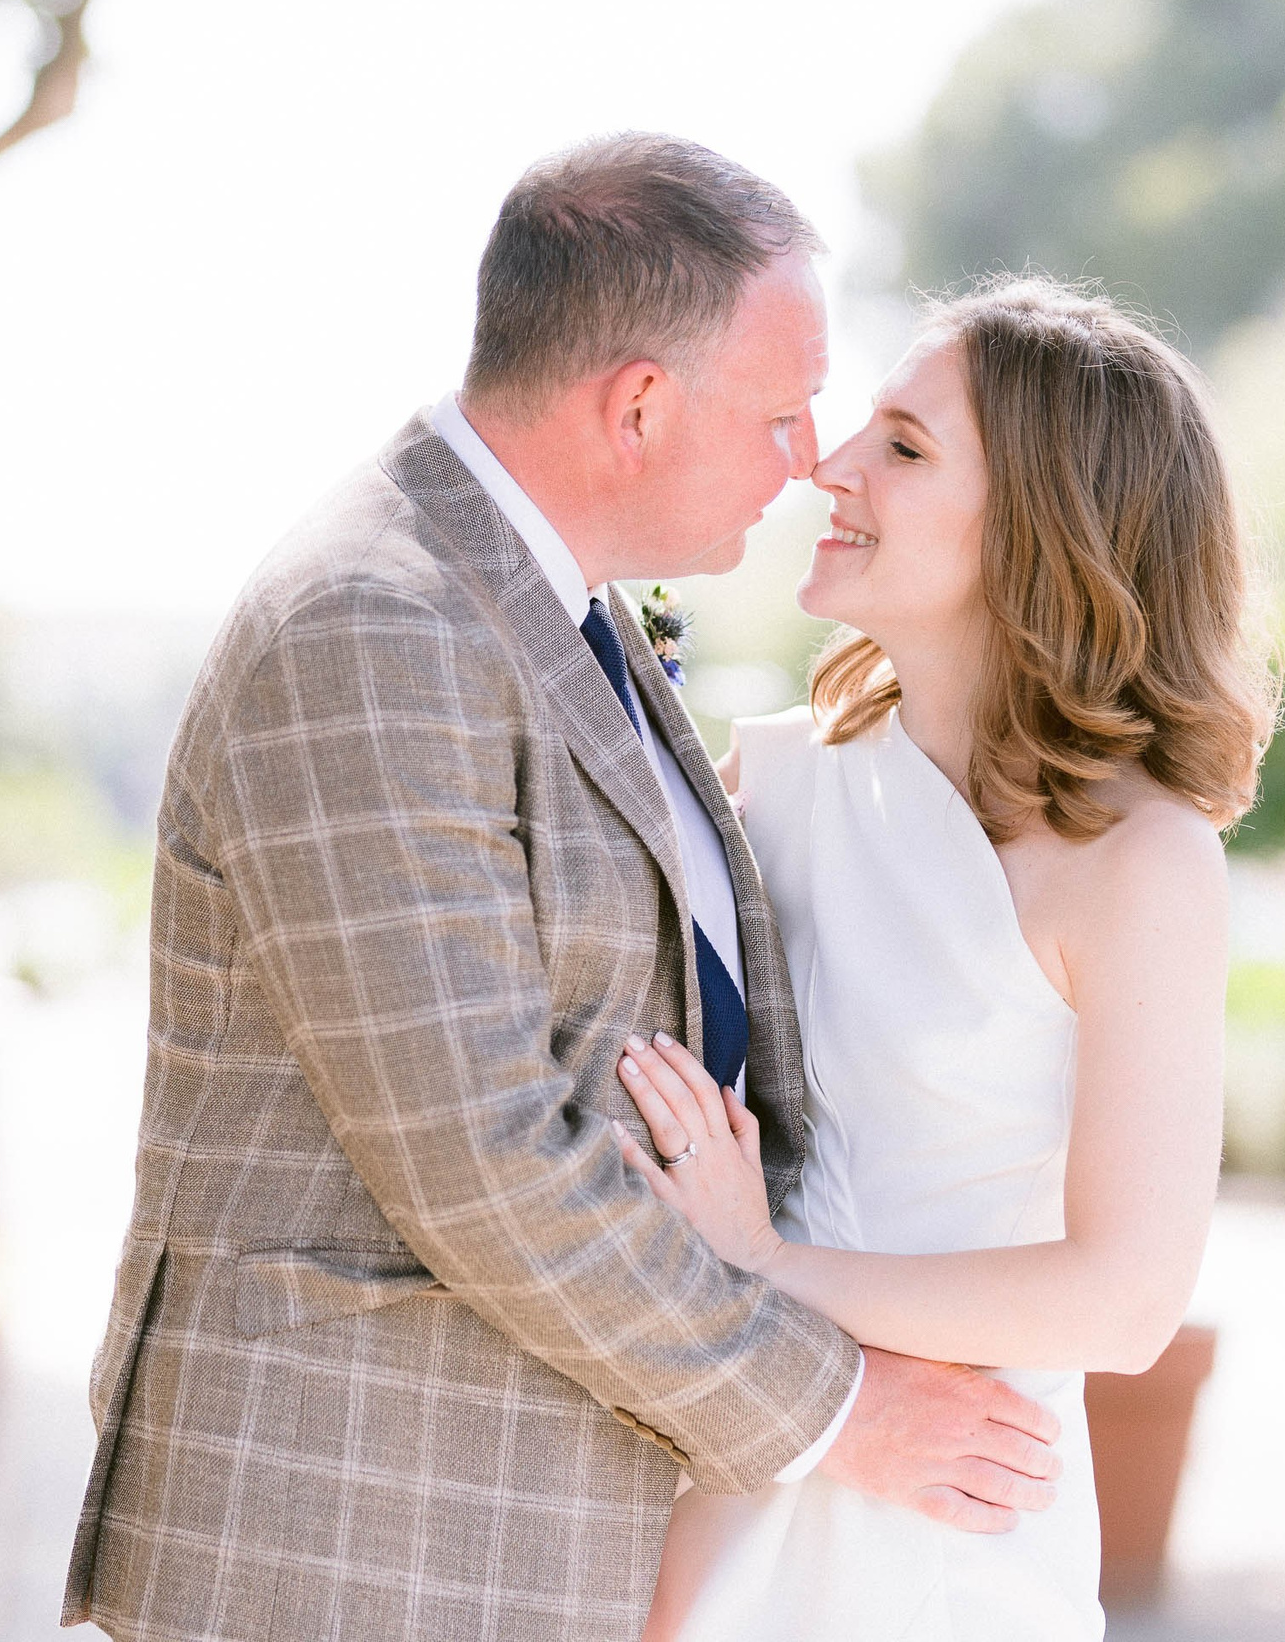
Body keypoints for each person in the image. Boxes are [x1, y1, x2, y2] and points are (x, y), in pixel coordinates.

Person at [60, 135, 1064, 1642]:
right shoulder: (375, 626)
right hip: (354, 1548)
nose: (811, 461)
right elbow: (478, 1152)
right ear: (640, 407)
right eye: (785, 414)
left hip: (523, 1536)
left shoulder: (554, 612)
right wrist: (835, 1410)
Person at [613, 277, 1277, 1640]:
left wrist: (769, 1264)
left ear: (1046, 527)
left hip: (954, 1529)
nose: (829, 466)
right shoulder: (771, 783)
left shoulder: (1141, 864)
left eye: (905, 448)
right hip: (732, 1488)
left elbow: (1125, 1300)